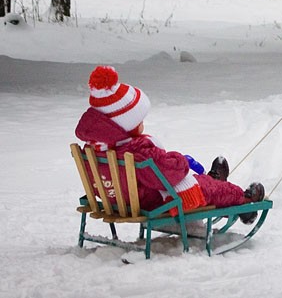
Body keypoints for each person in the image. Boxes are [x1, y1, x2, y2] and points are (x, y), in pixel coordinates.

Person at [75, 65, 265, 223]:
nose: (142, 124)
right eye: (139, 120)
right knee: (208, 189)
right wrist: (180, 160)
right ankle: (243, 201)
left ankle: (214, 181)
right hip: (152, 202)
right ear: (125, 124)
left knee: (202, 184)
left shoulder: (95, 148)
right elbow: (170, 174)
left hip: (117, 200)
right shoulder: (136, 151)